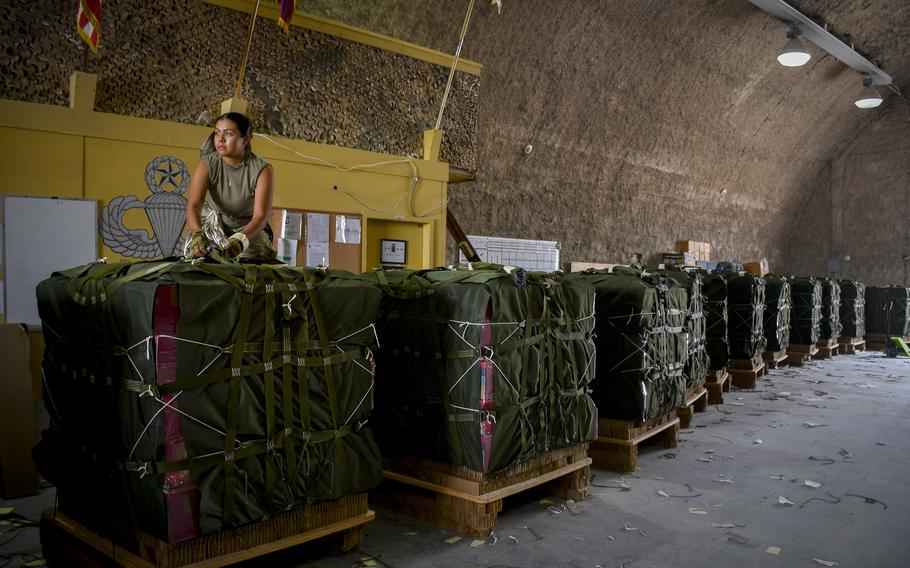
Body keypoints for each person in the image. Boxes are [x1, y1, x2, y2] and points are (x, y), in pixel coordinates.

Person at [186, 112, 276, 261]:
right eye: (217, 133)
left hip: (247, 227)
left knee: (252, 261)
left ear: (245, 139)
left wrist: (240, 241)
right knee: (198, 257)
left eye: (228, 134)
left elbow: (260, 217)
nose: (220, 139)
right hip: (214, 222)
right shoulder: (207, 164)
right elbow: (194, 205)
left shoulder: (262, 170)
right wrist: (197, 233)